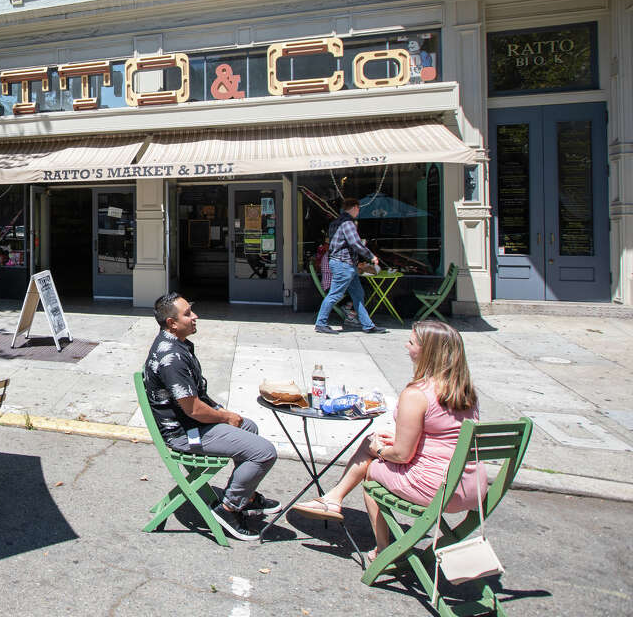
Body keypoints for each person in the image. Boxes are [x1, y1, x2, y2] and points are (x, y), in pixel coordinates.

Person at [290, 321, 484, 564]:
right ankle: (332, 499)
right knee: (374, 441)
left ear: (427, 352)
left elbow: (402, 455)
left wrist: (379, 450)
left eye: (412, 342)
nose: (406, 345)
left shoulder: (417, 394)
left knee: (372, 469)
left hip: (438, 487)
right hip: (471, 486)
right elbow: (445, 436)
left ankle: (383, 549)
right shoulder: (466, 392)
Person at [144, 293, 281, 541]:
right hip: (185, 434)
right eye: (187, 314)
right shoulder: (170, 357)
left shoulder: (177, 344)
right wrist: (224, 417)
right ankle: (227, 509)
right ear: (172, 323)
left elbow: (197, 397)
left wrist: (225, 413)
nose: (195, 316)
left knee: (248, 427)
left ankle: (245, 497)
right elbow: (193, 409)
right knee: (264, 452)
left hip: (190, 425)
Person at [314, 197, 386, 335]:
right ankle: (320, 323)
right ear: (354, 207)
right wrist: (371, 256)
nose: (359, 211)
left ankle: (368, 325)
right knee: (335, 294)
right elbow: (355, 243)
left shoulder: (335, 223)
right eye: (358, 208)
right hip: (344, 263)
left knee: (358, 294)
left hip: (343, 263)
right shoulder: (348, 223)